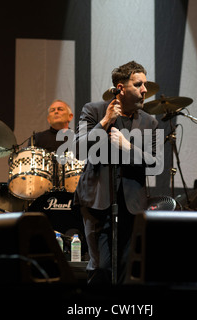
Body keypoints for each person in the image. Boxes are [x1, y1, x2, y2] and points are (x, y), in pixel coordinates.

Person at [73, 61, 161, 285]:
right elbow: (79, 149)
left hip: (132, 204)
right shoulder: (93, 110)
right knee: (101, 267)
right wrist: (105, 122)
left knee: (125, 270)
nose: (145, 90)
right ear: (121, 88)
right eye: (138, 84)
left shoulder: (150, 121)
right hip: (97, 200)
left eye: (145, 85)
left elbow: (155, 162)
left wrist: (128, 147)